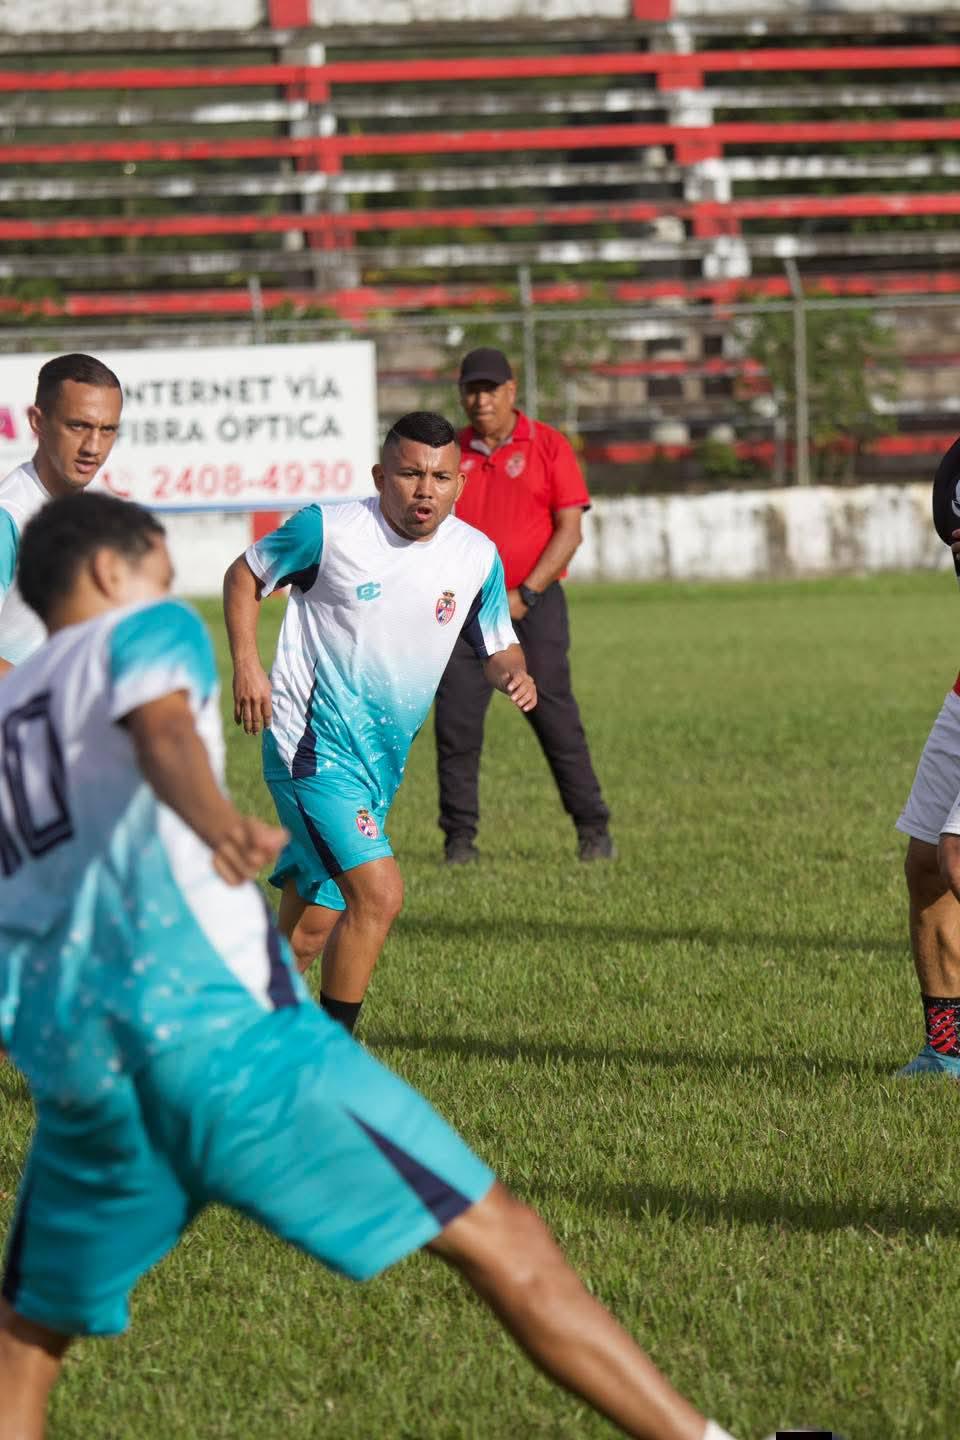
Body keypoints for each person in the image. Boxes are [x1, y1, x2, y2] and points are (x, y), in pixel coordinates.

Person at [0, 493, 742, 1440]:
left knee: (25, 1341)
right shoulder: (145, 632)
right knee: (503, 1241)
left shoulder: (10, 709)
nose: (166, 580)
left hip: (83, 1089)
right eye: (156, 561)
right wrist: (214, 817)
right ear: (112, 573)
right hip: (224, 1051)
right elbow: (165, 731)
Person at [223, 411, 536, 1034]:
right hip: (308, 750)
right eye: (410, 473)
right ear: (379, 474)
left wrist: (512, 673)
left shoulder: (476, 556)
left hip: (377, 768)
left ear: (460, 483)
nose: (426, 490)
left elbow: (499, 642)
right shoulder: (329, 530)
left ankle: (221, 1036)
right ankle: (333, 1063)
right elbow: (245, 575)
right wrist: (247, 666)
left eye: (441, 477)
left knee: (311, 929)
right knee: (381, 894)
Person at [435, 346, 614, 865]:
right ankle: (459, 841)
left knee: (554, 716)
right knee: (457, 724)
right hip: (466, 612)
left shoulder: (548, 446)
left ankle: (592, 828)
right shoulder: (450, 452)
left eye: (490, 389)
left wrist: (527, 593)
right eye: (472, 389)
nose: (481, 398)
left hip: (533, 606)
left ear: (512, 391)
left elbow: (570, 528)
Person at [0, 352, 122, 674]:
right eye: (78, 426)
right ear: (38, 422)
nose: (93, 447)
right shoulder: (8, 516)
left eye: (108, 429)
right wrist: (51, 698)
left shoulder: (94, 515)